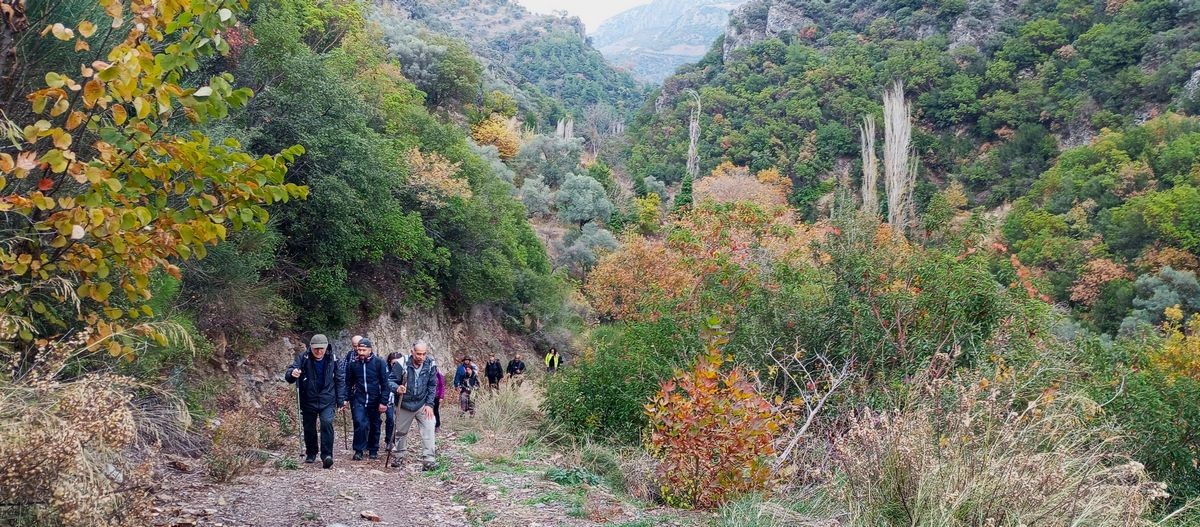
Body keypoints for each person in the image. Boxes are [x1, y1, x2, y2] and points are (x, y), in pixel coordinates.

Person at [285, 334, 345, 469]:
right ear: (310, 347)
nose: (318, 351)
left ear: (326, 347)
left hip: (327, 398)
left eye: (321, 348)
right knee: (309, 427)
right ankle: (311, 453)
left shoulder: (333, 359)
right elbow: (290, 374)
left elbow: (340, 379)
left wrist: (341, 400)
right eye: (316, 348)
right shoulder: (303, 358)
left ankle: (327, 455)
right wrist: (292, 373)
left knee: (327, 423)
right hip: (308, 399)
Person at [388, 339, 439, 471]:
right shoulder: (401, 363)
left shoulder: (431, 364)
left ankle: (429, 460)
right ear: (412, 352)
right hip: (404, 403)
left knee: (429, 427)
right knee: (400, 432)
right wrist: (397, 388)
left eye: (424, 354)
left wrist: (429, 404)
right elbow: (390, 381)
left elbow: (432, 385)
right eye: (418, 354)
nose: (421, 357)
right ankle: (398, 456)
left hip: (422, 403)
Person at [345, 338, 388, 460]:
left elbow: (385, 384)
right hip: (359, 398)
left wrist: (383, 401)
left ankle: (373, 448)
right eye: (359, 349)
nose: (361, 352)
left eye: (364, 350)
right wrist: (346, 398)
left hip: (375, 398)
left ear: (370, 350)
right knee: (359, 422)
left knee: (375, 424)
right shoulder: (353, 364)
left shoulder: (379, 363)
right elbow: (348, 382)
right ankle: (359, 450)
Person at [383, 351, 404, 451]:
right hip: (387, 398)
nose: (395, 365)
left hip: (398, 398)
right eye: (393, 363)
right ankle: (388, 441)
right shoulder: (385, 370)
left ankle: (396, 442)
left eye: (397, 363)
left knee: (398, 421)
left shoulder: (402, 370)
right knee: (390, 419)